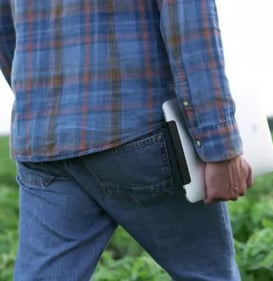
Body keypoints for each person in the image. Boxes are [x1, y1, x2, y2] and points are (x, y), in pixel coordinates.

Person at [0, 0, 252, 280]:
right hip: (139, 130)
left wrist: (46, 101)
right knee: (208, 274)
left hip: (43, 140)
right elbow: (191, 28)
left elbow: (4, 28)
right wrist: (220, 145)